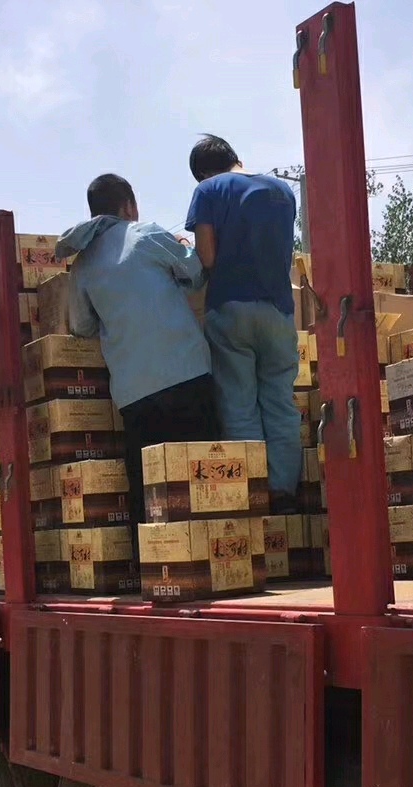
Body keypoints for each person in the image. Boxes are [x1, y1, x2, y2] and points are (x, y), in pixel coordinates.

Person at [57, 174, 219, 542]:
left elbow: (80, 325)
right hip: (187, 374)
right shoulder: (147, 234)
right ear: (129, 206)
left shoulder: (82, 266)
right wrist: (182, 245)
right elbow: (195, 272)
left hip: (133, 394)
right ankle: (209, 560)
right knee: (201, 477)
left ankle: (151, 565)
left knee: (149, 492)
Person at [185, 135, 301, 513]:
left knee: (239, 403)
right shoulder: (283, 191)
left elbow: (206, 256)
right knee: (280, 403)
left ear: (202, 173)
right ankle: (285, 492)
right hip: (280, 311)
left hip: (230, 308)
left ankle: (253, 496)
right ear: (237, 157)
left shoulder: (209, 191)